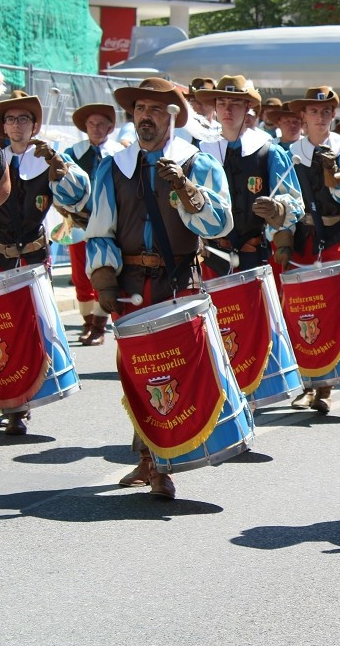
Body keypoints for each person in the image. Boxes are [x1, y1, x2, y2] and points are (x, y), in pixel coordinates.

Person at [85, 77, 233, 495]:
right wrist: (103, 278)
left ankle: (167, 461)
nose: (144, 117)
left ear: (171, 116)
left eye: (154, 109)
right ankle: (149, 459)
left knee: (178, 370)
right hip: (131, 283)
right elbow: (99, 230)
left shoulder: (197, 163)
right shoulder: (113, 166)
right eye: (138, 109)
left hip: (178, 279)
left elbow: (221, 224)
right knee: (137, 372)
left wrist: (188, 190)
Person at [0, 92, 91, 436]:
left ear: (34, 125)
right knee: (1, 332)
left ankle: (21, 405)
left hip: (33, 259)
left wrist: (61, 169)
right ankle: (7, 400)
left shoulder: (49, 159)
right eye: (10, 119)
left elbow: (81, 197)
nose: (16, 125)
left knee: (30, 331)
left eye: (23, 119)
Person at [286, 86, 340, 413]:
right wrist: (279, 236)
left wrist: (338, 177)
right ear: (303, 117)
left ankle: (325, 386)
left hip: (334, 238)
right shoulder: (289, 153)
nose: (320, 117)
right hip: (300, 242)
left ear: (333, 115)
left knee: (332, 313)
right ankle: (306, 383)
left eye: (326, 112)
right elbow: (281, 200)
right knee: (300, 314)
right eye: (313, 112)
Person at [192, 75, 304, 280]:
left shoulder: (268, 151)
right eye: (222, 103)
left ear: (247, 107)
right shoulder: (199, 153)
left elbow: (295, 203)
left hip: (254, 258)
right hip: (211, 260)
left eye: (235, 103)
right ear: (215, 107)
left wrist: (278, 209)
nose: (227, 110)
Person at [64, 103, 123, 346]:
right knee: (80, 275)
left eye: (101, 124)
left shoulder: (121, 154)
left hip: (111, 224)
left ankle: (100, 325)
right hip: (79, 224)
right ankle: (88, 322)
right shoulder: (72, 153)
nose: (96, 128)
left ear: (110, 128)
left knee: (104, 272)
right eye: (91, 124)